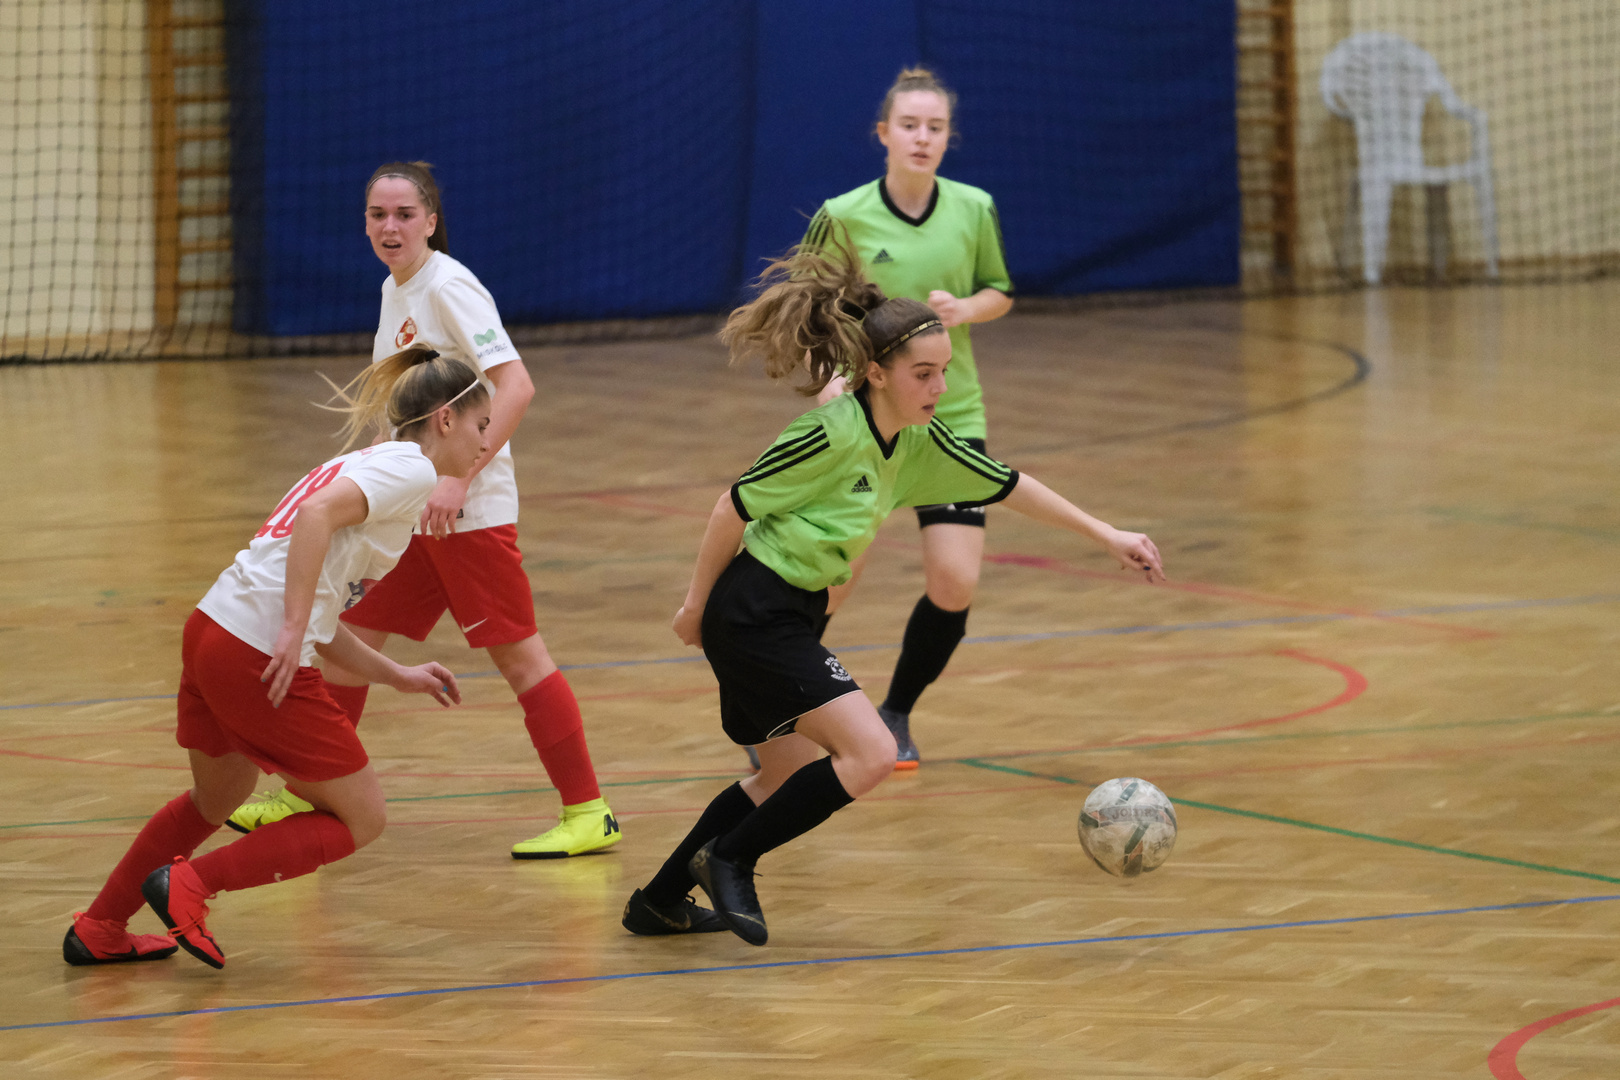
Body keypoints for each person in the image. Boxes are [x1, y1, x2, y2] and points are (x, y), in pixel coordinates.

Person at [621, 239, 1164, 945]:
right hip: (753, 612)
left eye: (944, 372)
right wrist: (694, 607)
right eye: (922, 374)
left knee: (782, 776)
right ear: (875, 372)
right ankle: (730, 857)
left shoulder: (916, 442)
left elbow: (1007, 484)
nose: (939, 388)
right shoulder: (830, 434)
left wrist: (1106, 533)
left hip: (789, 615)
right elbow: (732, 506)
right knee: (873, 754)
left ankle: (659, 902)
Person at [227, 162, 620, 859]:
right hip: (416, 513)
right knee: (347, 644)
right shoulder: (395, 288)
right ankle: (309, 791)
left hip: (466, 515)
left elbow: (516, 384)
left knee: (520, 659)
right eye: (377, 214)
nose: (390, 226)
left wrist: (461, 477)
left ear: (431, 221)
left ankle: (589, 812)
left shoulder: (449, 286)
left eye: (405, 214)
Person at [64, 348, 488, 968]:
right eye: (481, 425)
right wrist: (291, 628)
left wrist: (396, 674)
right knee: (362, 818)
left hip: (213, 628)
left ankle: (101, 927)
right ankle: (189, 886)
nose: (487, 443)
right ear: (446, 419)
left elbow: (322, 617)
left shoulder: (365, 462)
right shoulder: (413, 470)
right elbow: (315, 521)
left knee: (217, 798)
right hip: (255, 650)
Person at [790, 66, 1015, 771]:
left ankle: (896, 713)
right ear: (884, 133)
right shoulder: (842, 215)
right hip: (865, 420)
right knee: (833, 578)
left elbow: (999, 289)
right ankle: (785, 714)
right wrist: (829, 381)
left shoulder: (974, 207)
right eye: (910, 125)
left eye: (935, 127)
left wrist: (967, 308)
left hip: (950, 414)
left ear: (949, 137)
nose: (923, 137)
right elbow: (806, 312)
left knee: (955, 581)